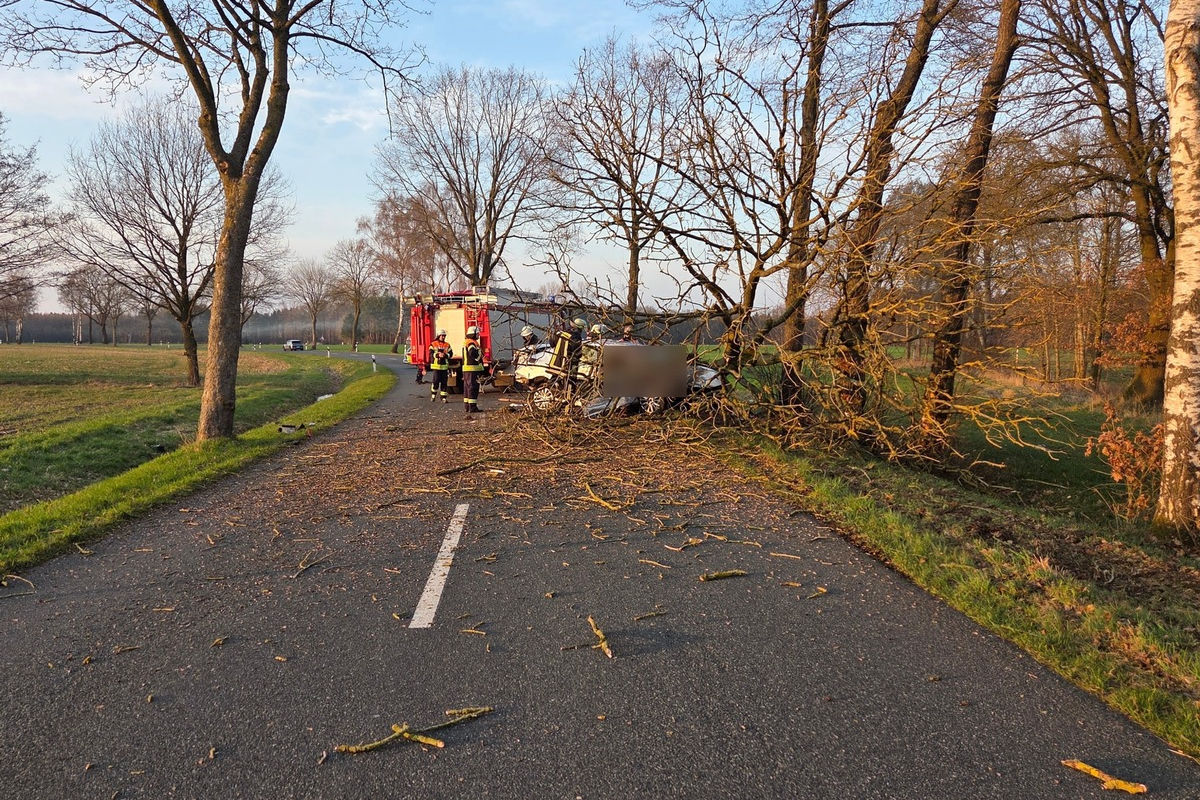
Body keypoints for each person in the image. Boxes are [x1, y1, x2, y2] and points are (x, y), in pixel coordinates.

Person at [462, 325, 485, 414]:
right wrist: (480, 355)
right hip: (472, 369)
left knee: (467, 388)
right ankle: (472, 407)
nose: (479, 335)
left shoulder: (467, 342)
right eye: (478, 334)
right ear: (473, 334)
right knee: (473, 388)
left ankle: (468, 407)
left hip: (468, 369)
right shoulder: (472, 343)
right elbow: (472, 353)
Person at [428, 329, 453, 403]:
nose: (443, 337)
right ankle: (433, 395)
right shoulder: (433, 344)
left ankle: (443, 397)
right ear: (438, 336)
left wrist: (445, 355)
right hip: (436, 367)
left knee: (444, 383)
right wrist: (437, 355)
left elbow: (451, 354)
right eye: (442, 335)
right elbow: (430, 353)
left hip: (444, 367)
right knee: (435, 381)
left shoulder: (447, 345)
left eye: (444, 336)